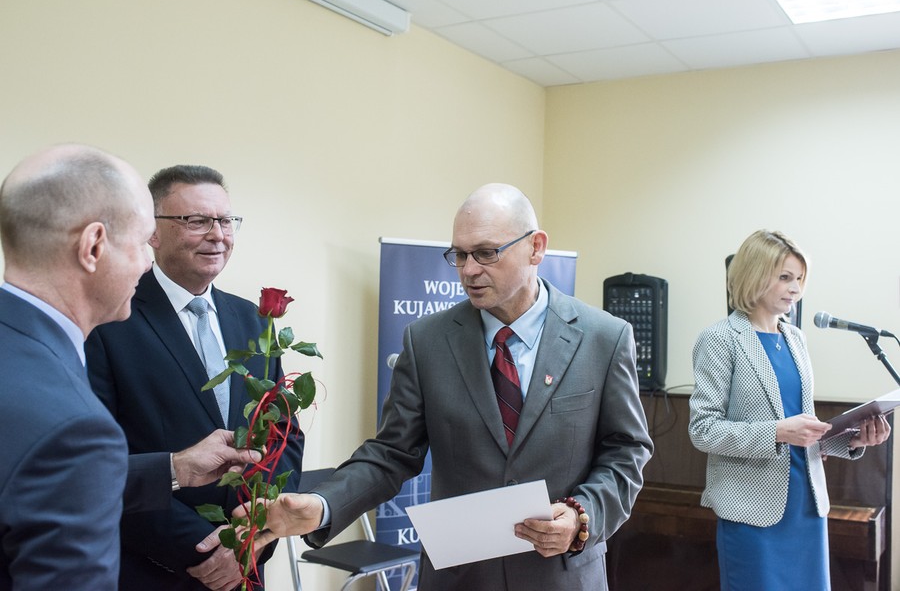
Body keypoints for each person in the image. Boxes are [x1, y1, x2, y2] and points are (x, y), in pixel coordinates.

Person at [239, 183, 653, 590]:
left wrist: (583, 516)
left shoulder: (603, 338)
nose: (469, 270)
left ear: (536, 247)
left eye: (487, 252)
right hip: (461, 576)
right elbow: (391, 454)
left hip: (561, 575)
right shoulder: (427, 341)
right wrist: (323, 505)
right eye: (459, 255)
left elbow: (626, 449)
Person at [0, 145, 260, 590]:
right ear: (94, 246)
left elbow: (48, 476)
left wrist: (175, 468)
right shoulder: (73, 423)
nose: (145, 262)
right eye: (141, 243)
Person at [85, 165, 305, 591]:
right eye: (196, 221)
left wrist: (256, 533)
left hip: (247, 565)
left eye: (225, 221)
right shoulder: (109, 319)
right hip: (153, 570)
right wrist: (208, 548)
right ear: (152, 231)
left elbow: (284, 434)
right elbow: (98, 462)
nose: (217, 235)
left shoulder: (254, 320)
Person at [688, 229, 891, 591]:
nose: (796, 288)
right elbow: (703, 429)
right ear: (753, 274)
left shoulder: (795, 339)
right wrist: (778, 431)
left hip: (807, 507)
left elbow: (805, 429)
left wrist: (854, 440)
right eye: (785, 277)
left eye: (799, 278)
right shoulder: (719, 338)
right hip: (752, 512)